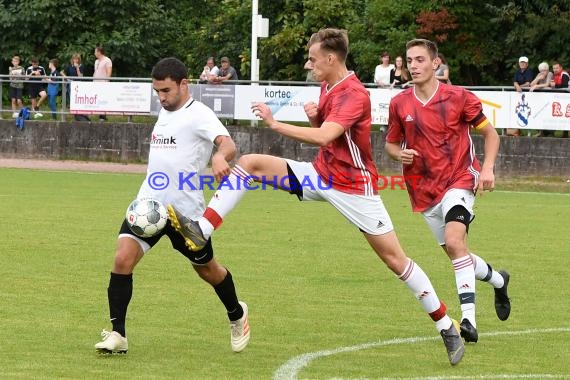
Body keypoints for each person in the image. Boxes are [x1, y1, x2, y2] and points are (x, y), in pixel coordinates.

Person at [168, 28, 465, 366]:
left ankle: (446, 326)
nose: (308, 65)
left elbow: (326, 135)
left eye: (312, 59)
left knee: (396, 261)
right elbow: (329, 130)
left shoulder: (355, 93)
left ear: (330, 58)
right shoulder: (326, 85)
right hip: (321, 174)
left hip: (354, 187)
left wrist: (276, 124)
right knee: (249, 164)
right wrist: (315, 114)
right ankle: (201, 231)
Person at [94, 57, 250, 355]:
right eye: (157, 92)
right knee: (122, 260)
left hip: (185, 215)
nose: (161, 98)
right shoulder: (164, 112)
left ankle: (236, 313)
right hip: (148, 206)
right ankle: (118, 334)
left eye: (166, 91)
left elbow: (226, 143)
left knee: (208, 271)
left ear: (184, 84)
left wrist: (219, 157)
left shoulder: (200, 114)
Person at [385, 38, 511, 345]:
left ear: (435, 64)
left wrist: (488, 169)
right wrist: (397, 154)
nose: (413, 65)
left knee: (456, 242)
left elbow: (490, 134)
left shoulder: (458, 97)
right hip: (424, 190)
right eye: (409, 60)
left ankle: (468, 321)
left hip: (459, 179)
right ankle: (498, 279)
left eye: (419, 60)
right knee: (457, 253)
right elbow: (390, 143)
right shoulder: (399, 103)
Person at [61, 53, 90, 122]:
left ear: (79, 60)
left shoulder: (81, 66)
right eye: (74, 59)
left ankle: (80, 114)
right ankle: (75, 114)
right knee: (72, 99)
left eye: (76, 59)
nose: (75, 60)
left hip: (79, 84)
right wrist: (67, 78)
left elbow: (81, 76)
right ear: (72, 59)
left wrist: (77, 68)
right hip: (71, 84)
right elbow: (61, 72)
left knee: (78, 99)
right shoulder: (69, 66)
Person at [550, 61, 570, 138]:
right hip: (558, 98)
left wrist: (555, 85)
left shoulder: (564, 74)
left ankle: (565, 132)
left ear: (561, 68)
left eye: (557, 68)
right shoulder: (554, 75)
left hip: (566, 98)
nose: (555, 69)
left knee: (565, 115)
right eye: (554, 68)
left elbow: (564, 85)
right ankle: (553, 132)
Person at [94, 46, 113, 121]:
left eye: (95, 52)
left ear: (99, 52)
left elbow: (109, 72)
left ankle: (102, 116)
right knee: (97, 100)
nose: (94, 53)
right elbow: (95, 72)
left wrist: (106, 82)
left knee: (103, 100)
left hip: (103, 83)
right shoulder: (96, 61)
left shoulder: (107, 60)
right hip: (96, 83)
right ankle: (100, 114)